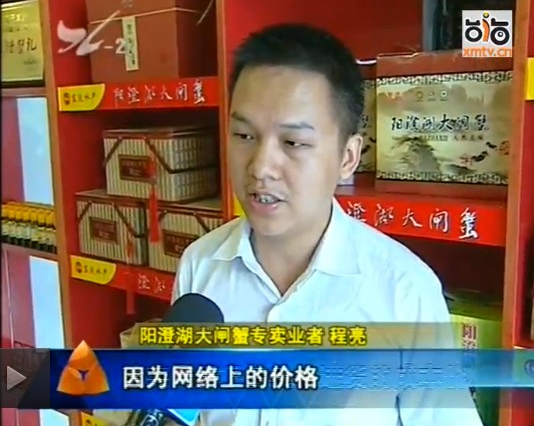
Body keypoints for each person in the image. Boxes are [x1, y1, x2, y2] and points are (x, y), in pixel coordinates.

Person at [172, 23, 483, 426]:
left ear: (347, 158)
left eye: (293, 143)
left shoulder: (403, 291)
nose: (261, 167)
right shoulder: (200, 265)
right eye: (244, 135)